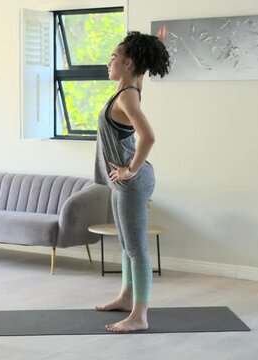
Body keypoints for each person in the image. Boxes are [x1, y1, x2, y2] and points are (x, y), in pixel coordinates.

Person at [94, 31, 170, 333]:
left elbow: (148, 137)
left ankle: (139, 316)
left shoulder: (127, 95)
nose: (109, 62)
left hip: (132, 183)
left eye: (113, 57)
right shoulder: (129, 88)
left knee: (136, 248)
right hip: (121, 183)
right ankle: (126, 298)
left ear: (128, 63)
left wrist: (130, 171)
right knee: (126, 245)